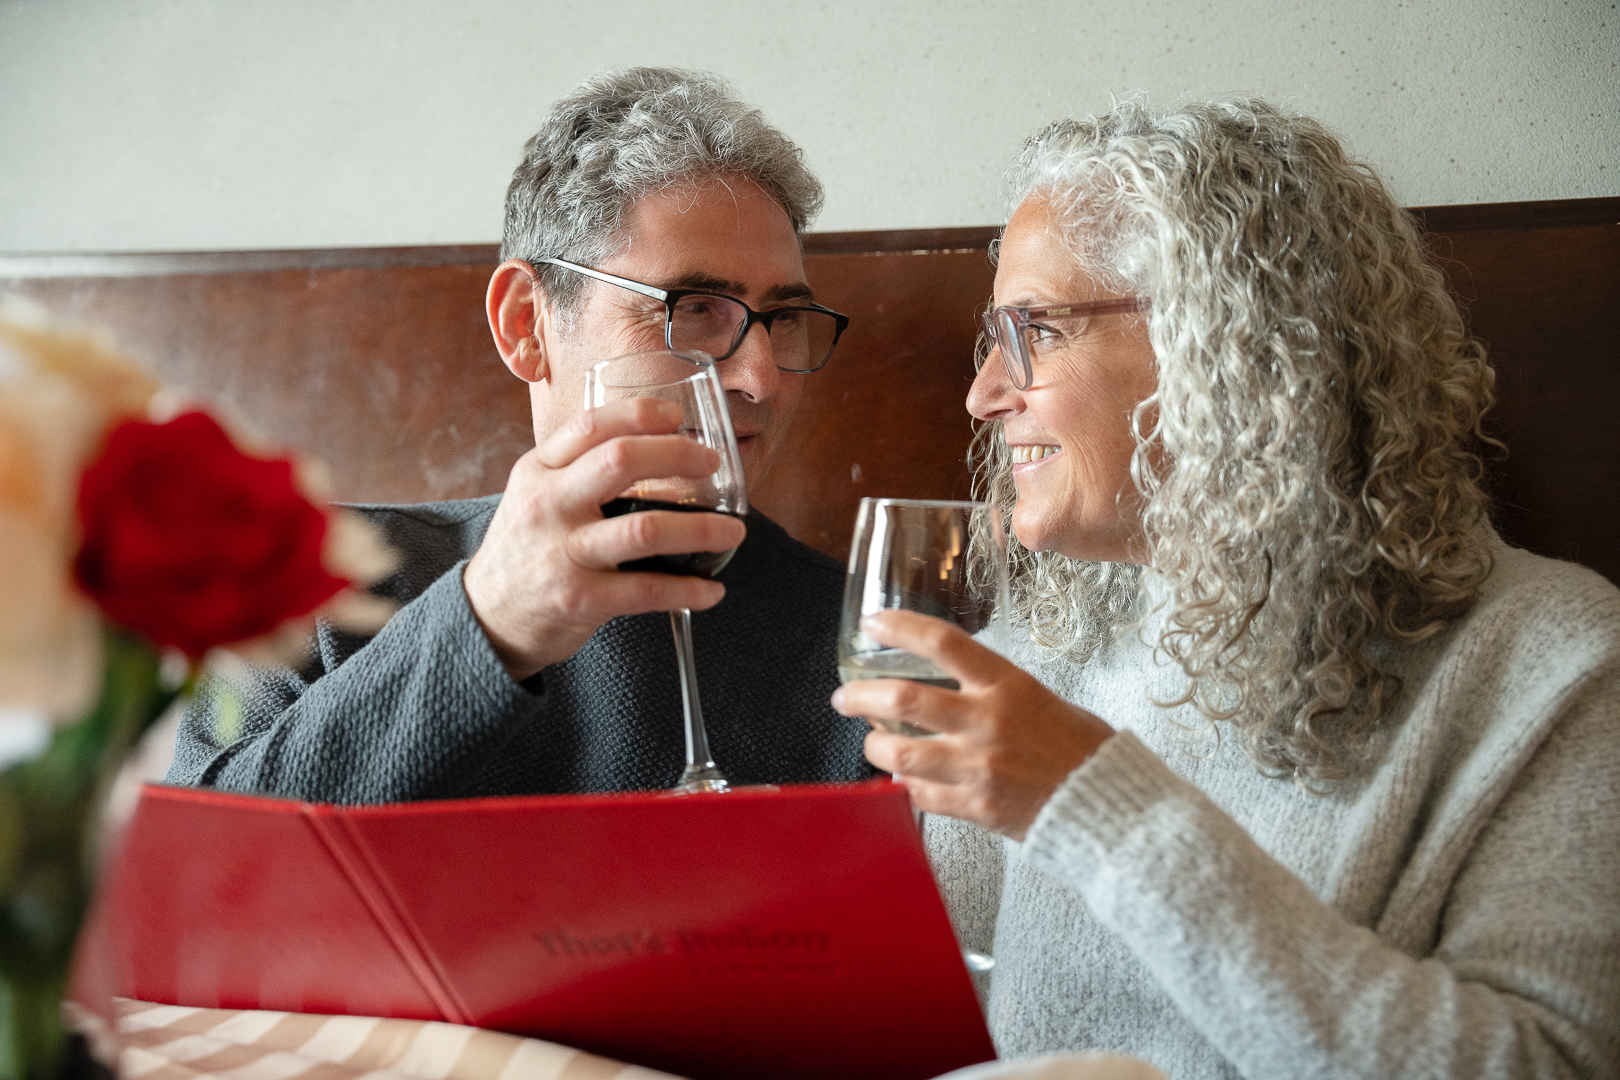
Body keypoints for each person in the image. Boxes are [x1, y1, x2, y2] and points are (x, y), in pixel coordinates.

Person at [833, 97, 1620, 1079]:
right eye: (993, 337)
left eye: (1033, 329)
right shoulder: (1038, 651)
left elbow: (1551, 1065)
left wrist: (1092, 799)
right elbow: (942, 1016)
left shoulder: (1551, 659)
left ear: (1224, 341)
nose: (983, 392)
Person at [168, 68, 875, 801]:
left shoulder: (870, 638)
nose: (759, 377)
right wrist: (487, 627)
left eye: (783, 318)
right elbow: (194, 872)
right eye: (694, 308)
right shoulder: (318, 582)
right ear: (526, 326)